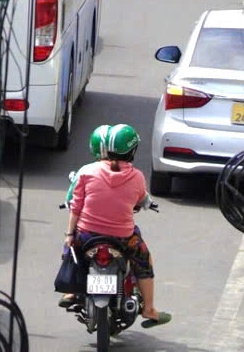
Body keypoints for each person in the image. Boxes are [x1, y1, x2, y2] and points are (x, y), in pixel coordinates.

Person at [63, 124, 170, 328]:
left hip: (87, 236)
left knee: (71, 251)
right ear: (132, 151)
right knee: (144, 261)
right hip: (122, 238)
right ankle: (149, 308)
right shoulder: (137, 177)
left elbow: (75, 206)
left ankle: (72, 291)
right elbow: (140, 199)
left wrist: (70, 235)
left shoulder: (87, 171)